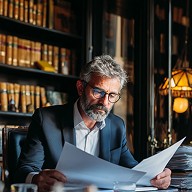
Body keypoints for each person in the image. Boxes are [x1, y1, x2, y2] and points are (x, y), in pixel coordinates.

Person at [14, 55, 171, 192]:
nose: (104, 102)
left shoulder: (117, 126)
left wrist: (156, 176)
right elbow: (24, 169)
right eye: (98, 92)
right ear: (81, 88)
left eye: (112, 95)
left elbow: (133, 170)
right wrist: (36, 179)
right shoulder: (46, 119)